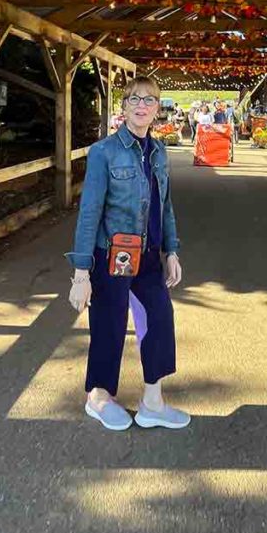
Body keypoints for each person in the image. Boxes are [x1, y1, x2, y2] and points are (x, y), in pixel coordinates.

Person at [67, 75, 190, 432]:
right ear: (123, 107)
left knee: (160, 319)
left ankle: (153, 402)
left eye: (149, 100)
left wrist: (172, 251)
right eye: (134, 99)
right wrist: (81, 274)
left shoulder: (160, 151)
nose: (141, 105)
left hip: (149, 255)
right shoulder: (104, 152)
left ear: (157, 109)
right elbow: (89, 213)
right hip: (113, 255)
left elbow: (165, 207)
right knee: (110, 323)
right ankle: (99, 396)